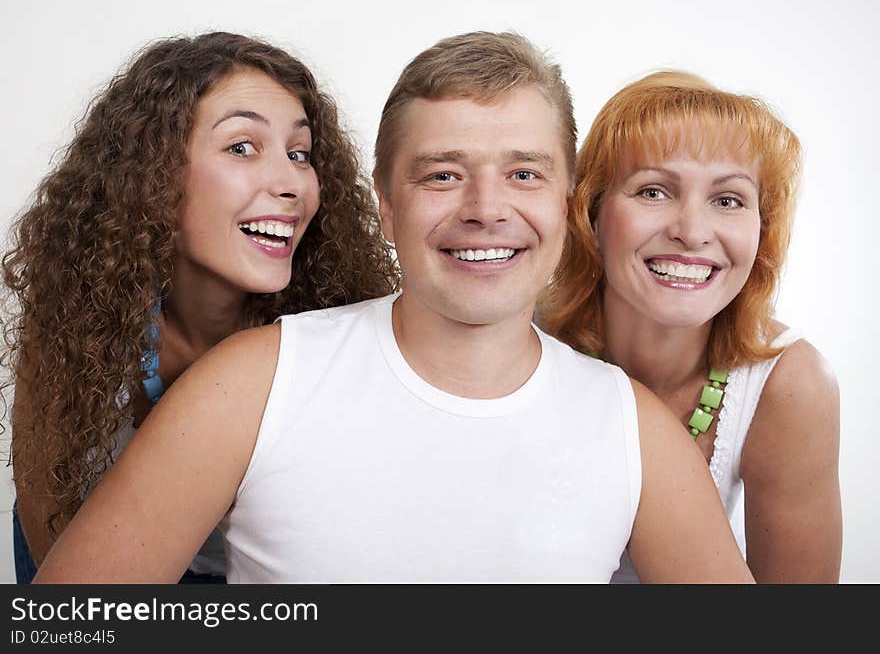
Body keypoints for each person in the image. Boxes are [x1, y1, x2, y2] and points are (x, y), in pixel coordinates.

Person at [35, 32, 752, 583]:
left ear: (567, 205)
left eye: (524, 174)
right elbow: (65, 626)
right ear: (383, 203)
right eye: (443, 174)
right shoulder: (248, 383)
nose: (486, 209)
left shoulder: (632, 428)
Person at [3, 32, 398, 583]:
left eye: (300, 154)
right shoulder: (78, 315)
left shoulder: (333, 338)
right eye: (242, 147)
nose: (289, 183)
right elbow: (53, 548)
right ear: (153, 173)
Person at [539, 71, 841, 582]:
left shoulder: (790, 383)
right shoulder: (520, 343)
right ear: (590, 215)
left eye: (728, 200)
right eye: (654, 191)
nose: (692, 232)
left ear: (762, 230)